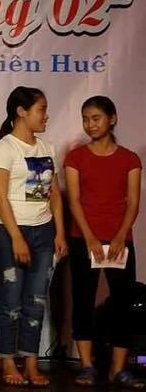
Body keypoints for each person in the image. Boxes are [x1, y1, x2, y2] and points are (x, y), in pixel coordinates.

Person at [0, 86, 68, 387]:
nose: (46, 115)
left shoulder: (46, 147)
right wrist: (16, 237)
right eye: (41, 109)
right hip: (11, 231)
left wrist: (59, 232)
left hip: (43, 231)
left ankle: (31, 363)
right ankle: (8, 362)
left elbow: (54, 194)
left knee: (36, 300)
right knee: (10, 300)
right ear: (21, 112)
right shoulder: (4, 148)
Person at [64, 96, 143, 389]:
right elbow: (74, 200)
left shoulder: (130, 159)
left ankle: (118, 369)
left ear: (112, 118)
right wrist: (90, 237)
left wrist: (121, 235)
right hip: (84, 239)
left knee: (123, 303)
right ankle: (86, 366)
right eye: (85, 119)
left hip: (120, 240)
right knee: (83, 300)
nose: (90, 124)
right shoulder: (75, 158)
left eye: (95, 118)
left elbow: (133, 201)